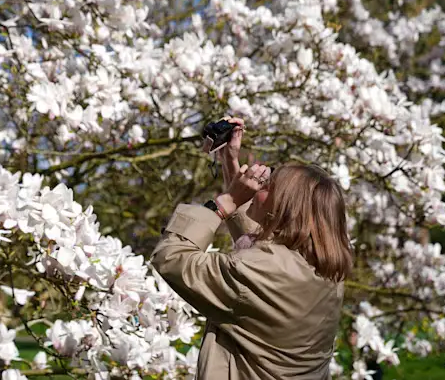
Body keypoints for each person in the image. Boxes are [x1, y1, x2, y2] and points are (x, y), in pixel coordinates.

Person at [151, 117, 353, 379]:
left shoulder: (260, 271)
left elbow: (170, 257)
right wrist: (230, 164)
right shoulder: (327, 271)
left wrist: (225, 202)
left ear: (284, 209)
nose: (257, 187)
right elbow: (260, 249)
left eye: (267, 185)